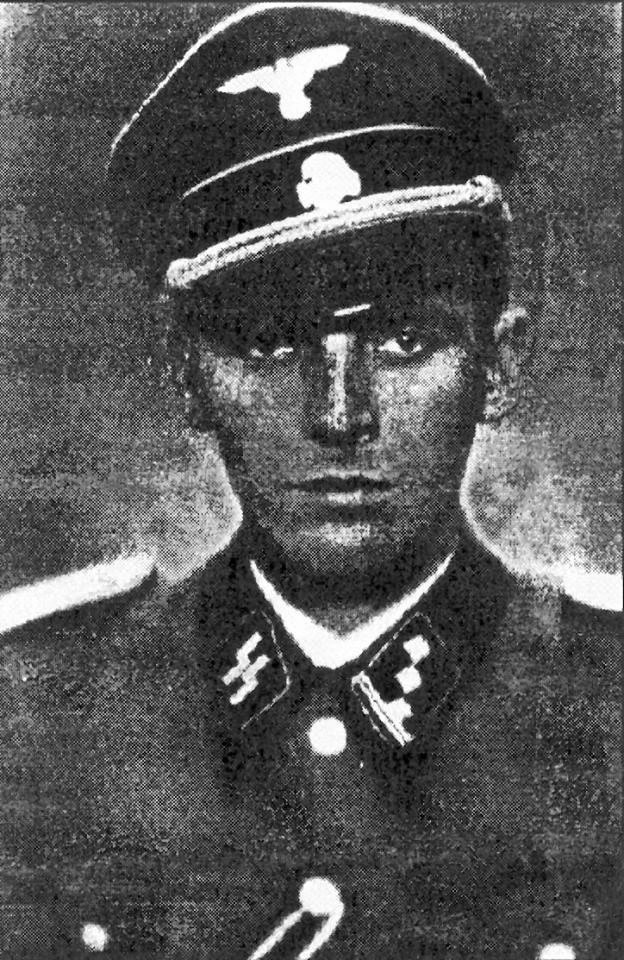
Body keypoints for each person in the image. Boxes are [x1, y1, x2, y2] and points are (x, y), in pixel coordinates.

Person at [0, 4, 620, 958]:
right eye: (269, 344)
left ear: (498, 367)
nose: (340, 414)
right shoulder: (39, 717)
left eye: (405, 340)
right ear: (189, 379)